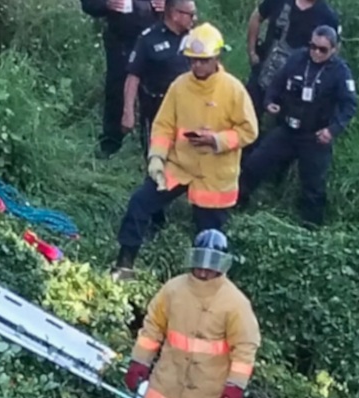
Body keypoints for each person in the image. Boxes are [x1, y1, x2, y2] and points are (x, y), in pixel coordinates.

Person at [110, 23, 258, 279]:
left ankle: (202, 287)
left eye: (203, 61)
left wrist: (216, 140)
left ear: (216, 59)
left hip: (215, 176)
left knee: (208, 239)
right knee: (140, 203)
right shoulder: (180, 86)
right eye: (193, 61)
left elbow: (249, 130)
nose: (197, 66)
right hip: (179, 166)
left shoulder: (233, 89)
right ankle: (124, 266)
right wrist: (156, 157)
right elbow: (163, 125)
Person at [124, 230, 261, 398]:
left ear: (223, 265)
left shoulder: (235, 302)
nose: (204, 270)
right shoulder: (173, 289)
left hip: (207, 388)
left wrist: (236, 386)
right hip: (167, 378)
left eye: (212, 264)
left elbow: (245, 347)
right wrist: (139, 361)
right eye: (200, 262)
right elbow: (152, 328)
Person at [237, 26, 356, 228]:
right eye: (313, 46)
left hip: (315, 136)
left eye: (323, 50)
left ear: (334, 49)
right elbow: (277, 82)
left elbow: (349, 105)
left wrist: (333, 130)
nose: (316, 53)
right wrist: (270, 102)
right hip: (288, 129)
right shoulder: (297, 59)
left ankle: (311, 229)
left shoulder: (340, 72)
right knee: (254, 163)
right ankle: (237, 204)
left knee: (313, 186)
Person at [244, 0, 339, 145]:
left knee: (279, 137)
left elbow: (333, 50)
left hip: (294, 89)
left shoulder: (327, 16)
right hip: (263, 72)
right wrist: (252, 52)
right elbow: (256, 17)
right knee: (246, 119)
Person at [80, 0, 162, 159]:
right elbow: (88, 4)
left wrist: (168, 5)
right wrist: (106, 5)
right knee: (117, 90)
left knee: (156, 92)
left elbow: (185, 7)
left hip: (156, 36)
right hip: (121, 39)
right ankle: (110, 143)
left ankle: (155, 144)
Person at [123, 0, 197, 159]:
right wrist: (128, 111)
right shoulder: (148, 39)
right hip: (157, 108)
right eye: (190, 14)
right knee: (157, 156)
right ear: (175, 14)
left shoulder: (196, 37)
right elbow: (133, 76)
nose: (194, 19)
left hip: (189, 106)